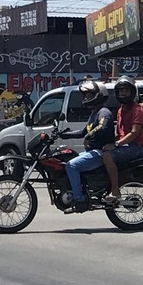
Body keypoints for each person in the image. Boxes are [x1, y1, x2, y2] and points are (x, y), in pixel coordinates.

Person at [61, 78, 116, 213]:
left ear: (99, 95)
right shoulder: (94, 113)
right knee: (65, 159)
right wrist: (64, 135)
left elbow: (102, 127)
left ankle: (79, 200)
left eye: (89, 95)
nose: (86, 98)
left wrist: (88, 135)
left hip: (99, 152)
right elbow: (83, 131)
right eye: (85, 95)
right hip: (91, 151)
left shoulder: (104, 112)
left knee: (71, 166)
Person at [105, 76, 143, 203]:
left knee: (107, 156)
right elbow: (119, 131)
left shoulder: (137, 110)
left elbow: (134, 133)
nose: (123, 93)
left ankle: (115, 191)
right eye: (121, 91)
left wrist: (117, 144)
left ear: (132, 92)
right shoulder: (120, 110)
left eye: (126, 91)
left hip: (137, 146)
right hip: (126, 144)